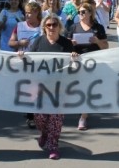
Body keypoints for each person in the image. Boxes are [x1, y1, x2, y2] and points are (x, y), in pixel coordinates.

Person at [18, 14, 76, 160]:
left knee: (56, 119)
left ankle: (53, 145)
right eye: (48, 25)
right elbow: (29, 60)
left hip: (59, 88)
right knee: (40, 118)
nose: (51, 27)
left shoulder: (66, 44)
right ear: (44, 27)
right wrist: (22, 56)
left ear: (59, 27)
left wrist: (75, 58)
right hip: (40, 88)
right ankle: (44, 133)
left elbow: (73, 65)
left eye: (54, 25)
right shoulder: (38, 41)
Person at [66, 2, 108, 130]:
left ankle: (83, 117)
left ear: (90, 13)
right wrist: (71, 44)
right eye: (79, 12)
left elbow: (105, 46)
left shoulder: (98, 28)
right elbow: (66, 47)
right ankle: (82, 110)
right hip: (77, 61)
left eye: (84, 12)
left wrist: (97, 41)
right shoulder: (73, 27)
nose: (81, 14)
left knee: (87, 88)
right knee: (78, 88)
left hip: (93, 62)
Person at [8, 2, 42, 129]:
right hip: (23, 62)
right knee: (27, 88)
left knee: (37, 88)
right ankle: (30, 115)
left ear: (37, 13)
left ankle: (34, 114)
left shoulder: (43, 27)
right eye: (26, 12)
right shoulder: (20, 26)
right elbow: (10, 42)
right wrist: (19, 43)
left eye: (30, 12)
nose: (27, 15)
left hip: (39, 62)